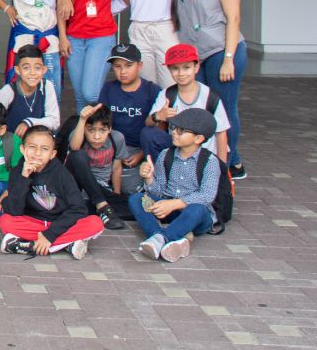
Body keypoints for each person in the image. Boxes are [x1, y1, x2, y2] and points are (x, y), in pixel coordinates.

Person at [175, 0, 247, 180]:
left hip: (220, 51)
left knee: (224, 109)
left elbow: (234, 17)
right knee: (204, 108)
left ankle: (230, 163)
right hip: (199, 54)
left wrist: (228, 58)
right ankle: (216, 160)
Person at [0, 125, 104, 259]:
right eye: (32, 147)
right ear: (22, 149)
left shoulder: (61, 173)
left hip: (60, 223)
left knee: (95, 223)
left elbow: (78, 209)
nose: (37, 153)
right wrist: (24, 178)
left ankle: (30, 246)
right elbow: (14, 210)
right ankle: (66, 245)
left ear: (52, 154)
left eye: (44, 149)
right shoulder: (18, 171)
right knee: (5, 221)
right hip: (34, 223)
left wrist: (49, 235)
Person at [131, 108, 222, 263]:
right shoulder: (166, 154)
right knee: (136, 199)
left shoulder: (210, 161)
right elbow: (158, 191)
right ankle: (172, 237)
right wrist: (149, 178)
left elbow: (206, 196)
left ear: (198, 138)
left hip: (195, 216)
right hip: (168, 209)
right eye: (173, 128)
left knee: (197, 208)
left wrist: (175, 204)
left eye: (181, 131)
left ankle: (160, 238)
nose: (174, 132)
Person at [140, 43, 231, 164]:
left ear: (196, 67)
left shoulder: (210, 97)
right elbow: (148, 122)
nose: (181, 73)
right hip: (175, 149)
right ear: (169, 70)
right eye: (175, 68)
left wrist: (222, 170)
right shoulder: (166, 94)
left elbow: (221, 133)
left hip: (203, 155)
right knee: (148, 133)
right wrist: (158, 116)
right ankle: (158, 175)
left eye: (186, 67)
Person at [66, 104, 133, 229]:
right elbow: (74, 147)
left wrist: (116, 195)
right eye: (91, 130)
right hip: (77, 187)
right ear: (84, 128)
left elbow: (117, 168)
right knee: (77, 155)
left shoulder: (117, 138)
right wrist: (82, 120)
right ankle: (101, 206)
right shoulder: (78, 135)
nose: (96, 137)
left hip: (100, 188)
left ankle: (87, 209)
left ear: (109, 129)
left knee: (133, 205)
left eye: (102, 130)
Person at [98, 44, 158, 174]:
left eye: (128, 65)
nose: (122, 71)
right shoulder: (109, 88)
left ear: (140, 66)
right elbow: (101, 121)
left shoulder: (151, 90)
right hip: (111, 146)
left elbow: (160, 128)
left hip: (140, 149)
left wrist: (142, 153)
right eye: (117, 66)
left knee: (130, 186)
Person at [0, 44, 60, 137]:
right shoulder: (7, 92)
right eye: (26, 68)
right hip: (11, 145)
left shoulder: (46, 86)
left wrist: (30, 122)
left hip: (36, 143)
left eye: (37, 68)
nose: (32, 73)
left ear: (44, 69)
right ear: (17, 69)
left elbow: (54, 121)